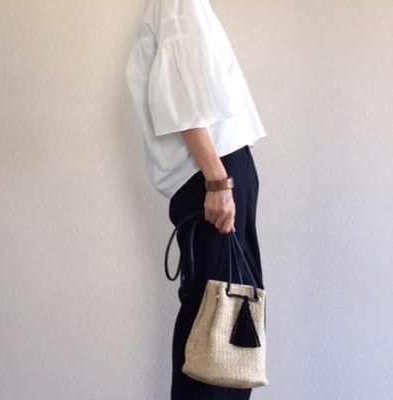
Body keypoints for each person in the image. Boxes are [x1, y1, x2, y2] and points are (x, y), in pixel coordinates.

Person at [125, 1, 267, 399]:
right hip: (213, 174)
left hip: (217, 173)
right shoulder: (179, 4)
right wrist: (218, 182)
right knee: (217, 317)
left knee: (224, 315)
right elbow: (183, 100)